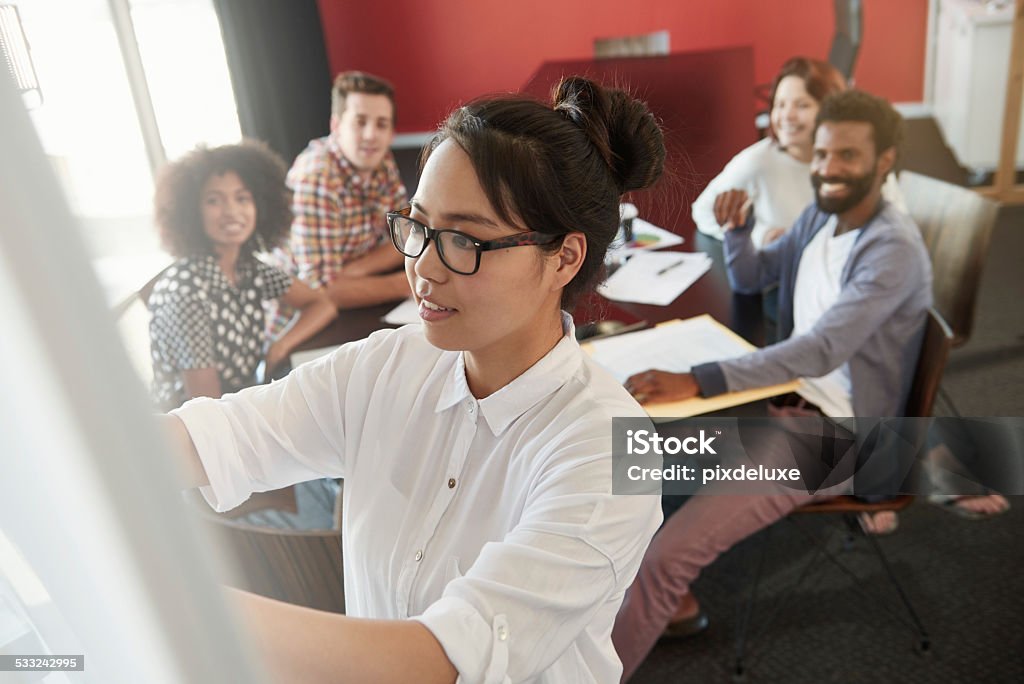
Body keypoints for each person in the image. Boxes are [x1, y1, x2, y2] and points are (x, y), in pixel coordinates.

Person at [159, 76, 666, 683]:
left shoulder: (608, 454)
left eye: (463, 240)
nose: (423, 266)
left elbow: (443, 662)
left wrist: (179, 606)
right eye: (418, 227)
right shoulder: (388, 365)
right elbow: (217, 435)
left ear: (564, 257)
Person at [612, 90, 933, 681]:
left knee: (665, 556)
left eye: (848, 156)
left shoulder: (892, 248)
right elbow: (757, 273)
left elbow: (820, 350)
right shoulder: (824, 211)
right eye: (822, 153)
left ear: (885, 160)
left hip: (840, 440)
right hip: (787, 405)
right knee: (624, 460)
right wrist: (741, 230)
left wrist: (697, 379)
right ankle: (654, 601)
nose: (829, 168)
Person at [148, 141, 336, 411]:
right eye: (214, 200)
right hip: (193, 432)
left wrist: (280, 346)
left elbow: (322, 305)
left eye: (242, 198)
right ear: (191, 211)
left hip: (240, 407)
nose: (231, 211)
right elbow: (205, 409)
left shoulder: (249, 268)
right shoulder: (185, 291)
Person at [691, 56, 904, 249]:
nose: (787, 116)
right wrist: (762, 235)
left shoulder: (864, 161)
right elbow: (703, 210)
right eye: (780, 105)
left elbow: (898, 220)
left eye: (802, 105)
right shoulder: (757, 162)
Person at [270, 70, 411, 332]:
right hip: (297, 324)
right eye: (360, 121)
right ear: (336, 125)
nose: (371, 134)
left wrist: (352, 271)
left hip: (356, 302)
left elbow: (403, 238)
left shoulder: (380, 159)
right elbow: (320, 291)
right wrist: (406, 283)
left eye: (382, 124)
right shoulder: (316, 179)